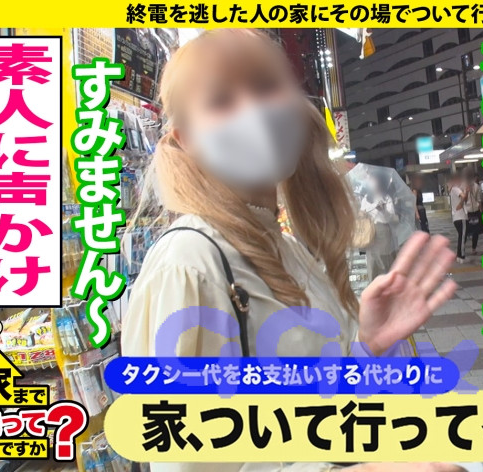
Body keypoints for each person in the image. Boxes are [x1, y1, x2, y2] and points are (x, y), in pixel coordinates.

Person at [122, 29, 461, 472]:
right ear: (185, 139)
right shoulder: (189, 263)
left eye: (266, 87)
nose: (254, 111)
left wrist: (368, 346)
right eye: (221, 100)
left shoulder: (289, 248)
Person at [361, 172, 398, 281]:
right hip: (370, 232)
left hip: (383, 231)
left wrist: (383, 210)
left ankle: (385, 281)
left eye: (374, 180)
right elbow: (361, 213)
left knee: (384, 259)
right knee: (371, 259)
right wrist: (363, 214)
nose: (373, 183)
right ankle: (373, 281)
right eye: (371, 180)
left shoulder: (386, 198)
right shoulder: (366, 198)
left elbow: (390, 217)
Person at [463, 169, 483, 255]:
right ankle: (462, 248)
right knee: (465, 231)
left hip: (475, 211)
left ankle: (473, 248)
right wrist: (467, 192)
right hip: (467, 212)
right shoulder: (463, 186)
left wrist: (480, 210)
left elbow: (479, 199)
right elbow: (463, 200)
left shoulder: (476, 186)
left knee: (476, 231)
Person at [449, 173, 468, 263]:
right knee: (463, 236)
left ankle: (459, 255)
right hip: (460, 217)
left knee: (461, 236)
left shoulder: (453, 189)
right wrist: (461, 203)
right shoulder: (455, 189)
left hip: (456, 217)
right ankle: (461, 256)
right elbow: (463, 196)